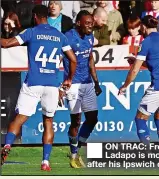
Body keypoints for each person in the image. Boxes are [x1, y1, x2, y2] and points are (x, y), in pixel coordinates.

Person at [0, 5, 77, 171]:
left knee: (19, 119)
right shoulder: (59, 35)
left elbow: (6, 44)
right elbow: (73, 60)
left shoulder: (31, 32)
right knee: (48, 122)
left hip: (33, 83)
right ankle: (45, 162)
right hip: (51, 85)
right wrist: (69, 79)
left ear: (35, 16)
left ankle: (6, 146)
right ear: (47, 16)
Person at [118, 15, 159, 145]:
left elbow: (135, 70)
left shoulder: (146, 42)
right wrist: (138, 61)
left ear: (143, 27)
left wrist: (125, 86)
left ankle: (147, 152)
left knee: (140, 119)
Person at [59, 10, 102, 168]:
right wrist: (62, 85)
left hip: (88, 83)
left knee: (92, 119)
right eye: (87, 23)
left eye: (92, 23)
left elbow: (90, 59)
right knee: (76, 121)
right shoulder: (68, 37)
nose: (91, 26)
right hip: (73, 84)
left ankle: (78, 149)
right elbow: (57, 57)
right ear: (78, 23)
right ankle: (74, 154)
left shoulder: (90, 36)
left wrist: (96, 82)